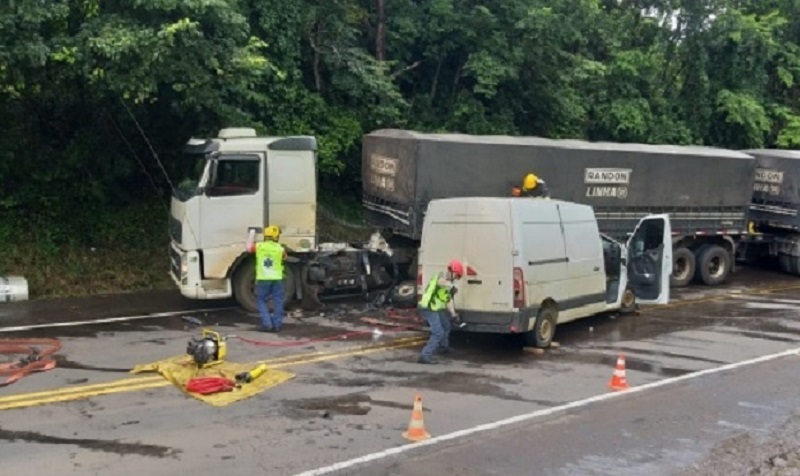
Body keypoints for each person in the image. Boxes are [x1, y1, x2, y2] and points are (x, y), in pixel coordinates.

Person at [417, 259, 464, 364]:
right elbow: (441, 282)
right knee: (438, 332)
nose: (456, 279)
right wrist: (451, 287)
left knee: (446, 326)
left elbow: (448, 300)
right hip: (428, 308)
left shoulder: (448, 284)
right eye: (457, 276)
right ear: (453, 272)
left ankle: (443, 348)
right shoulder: (440, 277)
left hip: (436, 308)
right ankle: (425, 355)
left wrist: (454, 314)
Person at [246, 225, 288, 332]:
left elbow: (249, 248)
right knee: (278, 301)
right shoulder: (280, 249)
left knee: (261, 300)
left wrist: (252, 234)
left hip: (264, 279)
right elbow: (285, 257)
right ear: (276, 237)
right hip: (277, 279)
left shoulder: (260, 246)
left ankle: (267, 324)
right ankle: (277, 325)